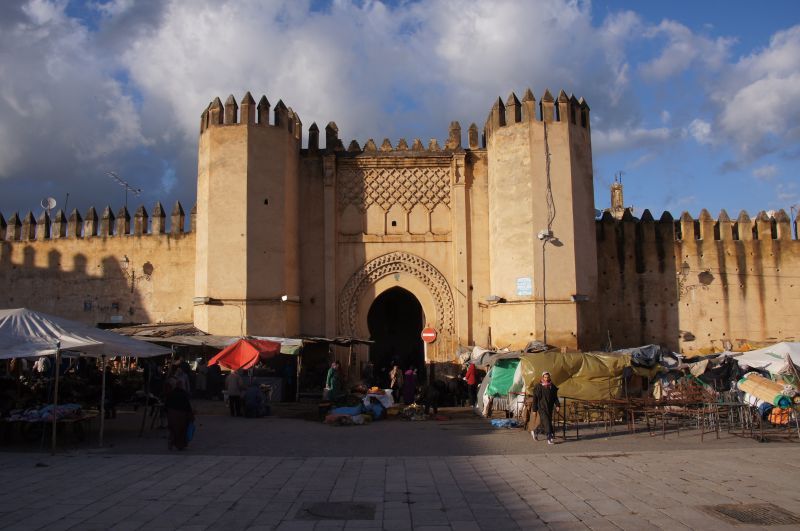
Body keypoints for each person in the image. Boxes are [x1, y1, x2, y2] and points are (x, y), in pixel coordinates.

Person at [165, 378, 194, 450]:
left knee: (174, 429)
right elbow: (187, 406)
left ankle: (173, 442)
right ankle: (180, 444)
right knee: (182, 429)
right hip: (181, 415)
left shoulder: (171, 394)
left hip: (172, 414)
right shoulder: (183, 394)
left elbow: (166, 405)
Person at [531, 371, 560, 444]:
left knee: (546, 422)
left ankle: (535, 431)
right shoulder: (538, 386)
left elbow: (555, 397)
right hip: (541, 407)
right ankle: (549, 437)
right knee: (546, 421)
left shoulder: (552, 386)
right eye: (545, 377)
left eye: (547, 377)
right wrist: (534, 409)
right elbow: (535, 398)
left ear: (549, 377)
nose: (546, 379)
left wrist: (557, 405)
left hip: (549, 407)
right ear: (543, 377)